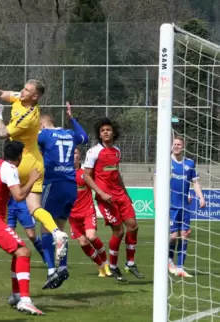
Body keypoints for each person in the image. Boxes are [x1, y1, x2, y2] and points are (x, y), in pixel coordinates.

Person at [0, 81, 68, 264]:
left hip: (23, 161)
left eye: (27, 90)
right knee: (34, 208)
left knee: (7, 191)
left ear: (35, 97)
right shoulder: (22, 98)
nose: (22, 91)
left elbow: (3, 133)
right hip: (36, 162)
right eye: (23, 88)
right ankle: (57, 233)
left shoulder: (27, 117)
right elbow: (1, 92)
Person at [0, 140, 44, 316]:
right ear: (19, 157)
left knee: (18, 251)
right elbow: (19, 196)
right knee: (23, 252)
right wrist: (33, 180)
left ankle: (16, 295)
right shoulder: (10, 169)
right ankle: (25, 300)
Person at [83, 118, 143, 282]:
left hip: (120, 195)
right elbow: (86, 176)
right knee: (119, 231)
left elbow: (116, 175)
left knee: (133, 226)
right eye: (102, 130)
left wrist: (126, 193)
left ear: (113, 132)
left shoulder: (117, 150)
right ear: (99, 134)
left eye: (108, 129)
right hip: (106, 198)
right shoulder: (94, 152)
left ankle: (130, 263)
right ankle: (114, 266)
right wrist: (101, 193)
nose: (105, 132)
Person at [37, 103, 88, 289]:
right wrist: (72, 119)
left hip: (53, 183)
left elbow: (26, 143)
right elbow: (84, 137)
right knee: (59, 228)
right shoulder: (69, 133)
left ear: (42, 125)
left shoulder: (44, 134)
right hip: (70, 185)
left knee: (45, 228)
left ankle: (51, 271)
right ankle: (63, 266)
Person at [154, 135, 205, 278]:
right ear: (171, 146)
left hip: (184, 206)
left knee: (185, 235)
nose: (177, 146)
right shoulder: (165, 162)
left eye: (179, 144)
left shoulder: (189, 163)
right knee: (174, 236)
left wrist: (201, 197)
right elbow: (156, 182)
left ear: (183, 146)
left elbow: (195, 183)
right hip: (170, 206)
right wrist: (157, 201)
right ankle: (169, 261)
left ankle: (180, 267)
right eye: (175, 144)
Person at [69, 147, 111, 277]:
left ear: (79, 155)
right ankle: (100, 266)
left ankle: (106, 263)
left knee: (91, 236)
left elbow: (98, 184)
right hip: (72, 215)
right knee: (83, 242)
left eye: (75, 153)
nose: (72, 155)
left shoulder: (86, 173)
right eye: (70, 153)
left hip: (87, 211)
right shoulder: (65, 173)